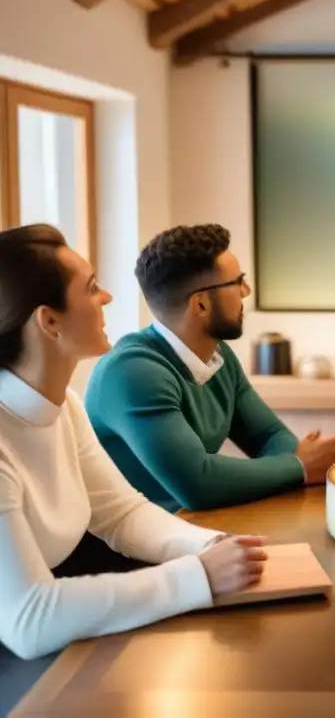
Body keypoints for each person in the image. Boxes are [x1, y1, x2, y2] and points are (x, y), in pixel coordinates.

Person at [0, 224, 267, 676]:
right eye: (90, 289)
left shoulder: (65, 405)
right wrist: (197, 576)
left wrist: (212, 546)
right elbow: (27, 618)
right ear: (49, 321)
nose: (108, 298)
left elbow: (121, 515)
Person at [85, 224, 335, 512]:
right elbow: (199, 483)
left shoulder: (217, 355)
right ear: (201, 305)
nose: (246, 291)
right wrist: (300, 465)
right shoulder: (132, 372)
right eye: (237, 282)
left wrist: (305, 460)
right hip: (125, 552)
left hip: (190, 533)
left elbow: (268, 437)